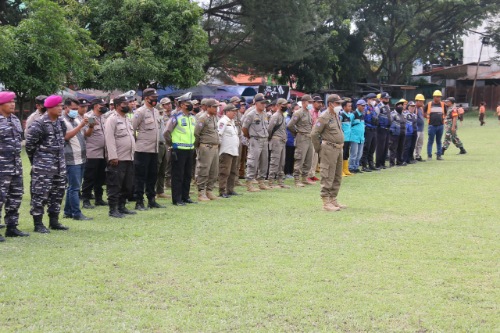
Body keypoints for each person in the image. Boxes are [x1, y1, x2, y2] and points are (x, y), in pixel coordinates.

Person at [25, 95, 69, 233]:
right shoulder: (39, 124)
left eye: (61, 106)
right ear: (50, 108)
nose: (61, 108)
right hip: (43, 167)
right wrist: (37, 161)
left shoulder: (60, 122)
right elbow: (30, 146)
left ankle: (54, 221)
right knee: (40, 194)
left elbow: (63, 140)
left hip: (59, 166)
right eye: (58, 106)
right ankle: (38, 223)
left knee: (57, 193)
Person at [0, 91, 29, 241]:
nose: (13, 104)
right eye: (9, 102)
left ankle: (12, 227)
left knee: (15, 196)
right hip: (1, 166)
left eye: (14, 102)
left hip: (16, 165)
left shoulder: (15, 120)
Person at [311, 94, 346, 212]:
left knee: (337, 175)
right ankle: (326, 201)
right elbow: (314, 134)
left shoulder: (335, 115)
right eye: (337, 103)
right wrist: (319, 149)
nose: (339, 106)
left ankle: (333, 198)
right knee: (328, 175)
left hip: (338, 148)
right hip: (329, 148)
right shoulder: (324, 116)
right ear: (330, 104)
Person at [104, 95, 137, 218]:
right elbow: (109, 139)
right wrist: (113, 156)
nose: (128, 105)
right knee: (115, 185)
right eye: (125, 104)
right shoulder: (112, 119)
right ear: (118, 106)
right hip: (118, 158)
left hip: (129, 157)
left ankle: (122, 207)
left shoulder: (127, 119)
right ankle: (113, 209)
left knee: (127, 185)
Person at [133, 88, 165, 210]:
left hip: (154, 149)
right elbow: (132, 129)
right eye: (153, 98)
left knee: (153, 175)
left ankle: (151, 200)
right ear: (146, 98)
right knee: (140, 177)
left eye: (156, 98)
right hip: (142, 149)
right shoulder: (140, 112)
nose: (155, 100)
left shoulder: (156, 112)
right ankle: (139, 202)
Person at [61, 97, 92, 221]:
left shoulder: (75, 119)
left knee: (72, 187)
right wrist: (81, 125)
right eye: (73, 109)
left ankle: (68, 212)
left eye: (76, 108)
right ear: (66, 107)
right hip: (71, 158)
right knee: (74, 188)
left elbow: (85, 135)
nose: (75, 111)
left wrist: (90, 126)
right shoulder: (62, 120)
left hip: (81, 157)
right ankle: (76, 213)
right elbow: (66, 137)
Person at [164, 94, 197, 206]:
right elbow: (166, 132)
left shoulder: (192, 118)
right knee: (178, 175)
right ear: (182, 105)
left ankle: (185, 196)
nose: (191, 105)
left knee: (187, 175)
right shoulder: (176, 117)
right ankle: (176, 199)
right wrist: (171, 144)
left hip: (189, 149)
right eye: (188, 103)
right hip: (178, 149)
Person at [81, 98, 109, 209]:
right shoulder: (89, 117)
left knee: (101, 177)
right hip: (93, 152)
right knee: (90, 177)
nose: (104, 107)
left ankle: (99, 198)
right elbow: (87, 134)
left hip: (103, 152)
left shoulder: (103, 117)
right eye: (102, 105)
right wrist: (92, 126)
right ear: (97, 106)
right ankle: (86, 199)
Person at [242, 93, 270, 192]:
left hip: (264, 139)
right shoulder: (251, 114)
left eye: (265, 103)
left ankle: (261, 181)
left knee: (264, 161)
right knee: (252, 161)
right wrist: (249, 137)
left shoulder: (265, 114)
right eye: (262, 103)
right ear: (256, 103)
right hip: (255, 139)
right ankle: (249, 183)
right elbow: (244, 128)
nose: (264, 105)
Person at [195, 98, 221, 201]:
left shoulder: (215, 118)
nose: (216, 109)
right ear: (208, 107)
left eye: (217, 107)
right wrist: (199, 145)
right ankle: (201, 192)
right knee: (204, 169)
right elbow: (196, 133)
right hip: (206, 147)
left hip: (214, 147)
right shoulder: (203, 118)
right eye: (214, 107)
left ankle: (209, 190)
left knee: (214, 171)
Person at [286, 94, 315, 187]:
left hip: (309, 137)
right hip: (302, 137)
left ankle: (304, 178)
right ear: (303, 102)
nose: (310, 104)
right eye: (309, 102)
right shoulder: (298, 113)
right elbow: (290, 125)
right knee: (300, 158)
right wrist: (297, 133)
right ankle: (297, 179)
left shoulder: (308, 112)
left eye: (311, 102)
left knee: (309, 159)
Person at [217, 104, 240, 198]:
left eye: (235, 111)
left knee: (233, 171)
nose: (235, 113)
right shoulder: (223, 121)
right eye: (233, 111)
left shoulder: (232, 122)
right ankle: (222, 190)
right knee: (224, 171)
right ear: (227, 112)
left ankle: (230, 189)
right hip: (226, 150)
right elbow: (219, 134)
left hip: (234, 150)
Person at [267, 98, 290, 189]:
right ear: (278, 105)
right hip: (276, 140)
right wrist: (270, 138)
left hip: (282, 141)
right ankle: (271, 181)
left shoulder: (282, 115)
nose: (285, 106)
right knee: (274, 162)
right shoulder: (275, 116)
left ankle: (280, 181)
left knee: (282, 162)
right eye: (283, 105)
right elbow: (270, 128)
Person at [156, 97, 172, 199]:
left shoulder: (167, 118)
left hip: (165, 144)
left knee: (163, 169)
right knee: (156, 169)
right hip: (156, 145)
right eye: (160, 112)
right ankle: (152, 190)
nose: (162, 114)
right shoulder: (155, 119)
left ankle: (160, 191)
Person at [360, 93, 379, 171]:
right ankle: (364, 165)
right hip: (368, 129)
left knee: (372, 147)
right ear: (368, 100)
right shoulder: (365, 108)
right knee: (366, 148)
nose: (374, 101)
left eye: (375, 100)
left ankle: (371, 163)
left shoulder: (373, 108)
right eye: (373, 99)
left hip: (374, 129)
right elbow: (363, 118)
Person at [426, 90, 446, 160]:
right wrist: (428, 118)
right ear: (434, 97)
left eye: (440, 97)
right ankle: (429, 155)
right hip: (432, 126)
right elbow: (424, 112)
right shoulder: (429, 104)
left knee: (439, 141)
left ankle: (439, 155)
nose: (439, 98)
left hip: (440, 126)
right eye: (437, 97)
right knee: (430, 141)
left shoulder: (443, 104)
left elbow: (445, 113)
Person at [307, 95, 323, 182]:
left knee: (315, 156)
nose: (320, 104)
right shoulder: (310, 112)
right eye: (318, 102)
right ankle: (307, 175)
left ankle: (312, 174)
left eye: (321, 102)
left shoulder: (319, 113)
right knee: (310, 156)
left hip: (317, 137)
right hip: (310, 136)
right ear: (313, 103)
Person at [375, 92, 392, 169]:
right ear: (381, 99)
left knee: (385, 147)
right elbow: (376, 117)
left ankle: (383, 163)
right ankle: (378, 164)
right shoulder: (378, 107)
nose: (387, 99)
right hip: (381, 129)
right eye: (385, 98)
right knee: (380, 147)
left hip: (387, 129)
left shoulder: (387, 107)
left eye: (388, 98)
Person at [348, 99, 366, 173]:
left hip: (361, 137)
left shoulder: (362, 115)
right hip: (354, 137)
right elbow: (349, 124)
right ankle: (351, 167)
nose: (364, 107)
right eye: (362, 106)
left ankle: (356, 167)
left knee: (359, 154)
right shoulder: (353, 114)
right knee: (354, 153)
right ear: (358, 105)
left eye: (364, 106)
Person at [388, 100, 407, 166]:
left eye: (401, 106)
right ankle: (392, 162)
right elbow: (390, 123)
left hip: (402, 133)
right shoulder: (393, 114)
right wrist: (392, 131)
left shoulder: (403, 115)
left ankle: (399, 161)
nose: (401, 107)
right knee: (393, 148)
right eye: (399, 106)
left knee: (401, 148)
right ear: (396, 107)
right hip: (395, 134)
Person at [284, 103, 298, 177]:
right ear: (292, 110)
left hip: (294, 140)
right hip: (289, 139)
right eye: (296, 109)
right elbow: (289, 126)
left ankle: (291, 172)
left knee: (293, 157)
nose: (297, 110)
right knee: (288, 157)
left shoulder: (297, 118)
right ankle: (287, 172)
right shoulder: (288, 118)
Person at [340, 99, 353, 176]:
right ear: (344, 107)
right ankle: (340, 170)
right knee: (342, 154)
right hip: (343, 138)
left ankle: (346, 169)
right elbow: (339, 125)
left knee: (346, 154)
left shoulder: (349, 115)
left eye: (351, 106)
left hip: (348, 138)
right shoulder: (342, 115)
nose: (350, 107)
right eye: (349, 106)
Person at [414, 94, 426, 162]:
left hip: (421, 129)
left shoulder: (421, 108)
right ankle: (413, 156)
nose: (422, 103)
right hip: (416, 129)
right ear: (417, 101)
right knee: (415, 143)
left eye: (422, 101)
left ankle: (418, 156)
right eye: (421, 101)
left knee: (420, 143)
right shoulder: (414, 108)